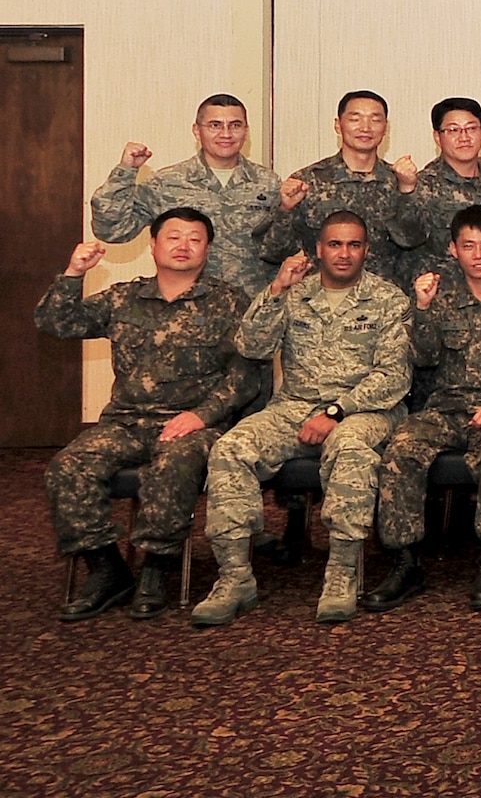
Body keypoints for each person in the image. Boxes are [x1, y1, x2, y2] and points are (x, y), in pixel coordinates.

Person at [194, 212, 413, 625]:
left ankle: (342, 574)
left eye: (353, 245)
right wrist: (276, 289)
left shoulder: (388, 300)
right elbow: (252, 347)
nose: (344, 253)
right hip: (294, 407)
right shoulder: (294, 294)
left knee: (350, 449)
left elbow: (393, 377)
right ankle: (235, 578)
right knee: (231, 448)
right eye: (335, 244)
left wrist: (335, 412)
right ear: (319, 249)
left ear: (366, 250)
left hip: (364, 410)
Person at [35, 211, 255, 620]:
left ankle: (156, 568)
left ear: (208, 250)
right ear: (152, 245)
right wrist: (74, 273)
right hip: (125, 422)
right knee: (68, 466)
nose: (183, 245)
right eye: (173, 237)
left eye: (194, 239)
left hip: (192, 423)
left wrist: (202, 415)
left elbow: (246, 376)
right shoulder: (123, 298)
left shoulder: (229, 302)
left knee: (173, 464)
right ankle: (106, 569)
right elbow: (55, 323)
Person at [361, 206, 481, 613]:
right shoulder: (439, 299)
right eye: (469, 246)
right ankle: (405, 562)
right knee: (401, 449)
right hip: (445, 409)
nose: (478, 255)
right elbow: (423, 358)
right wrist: (422, 309)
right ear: (453, 249)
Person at [90, 93, 280, 295]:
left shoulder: (268, 183)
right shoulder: (167, 182)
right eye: (215, 125)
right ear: (197, 131)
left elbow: (282, 246)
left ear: (246, 131)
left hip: (251, 304)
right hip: (184, 306)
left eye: (235, 125)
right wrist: (126, 171)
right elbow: (113, 230)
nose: (226, 134)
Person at [260, 90, 423, 287]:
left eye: (375, 120)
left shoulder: (400, 181)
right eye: (355, 119)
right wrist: (285, 210)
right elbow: (275, 252)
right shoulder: (307, 181)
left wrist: (407, 191)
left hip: (383, 301)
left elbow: (413, 242)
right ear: (338, 125)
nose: (365, 127)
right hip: (321, 300)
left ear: (385, 128)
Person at [402, 97, 481, 286]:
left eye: (471, 128)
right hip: (441, 294)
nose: (464, 137)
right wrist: (406, 191)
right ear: (437, 137)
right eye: (453, 130)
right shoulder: (423, 186)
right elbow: (407, 239)